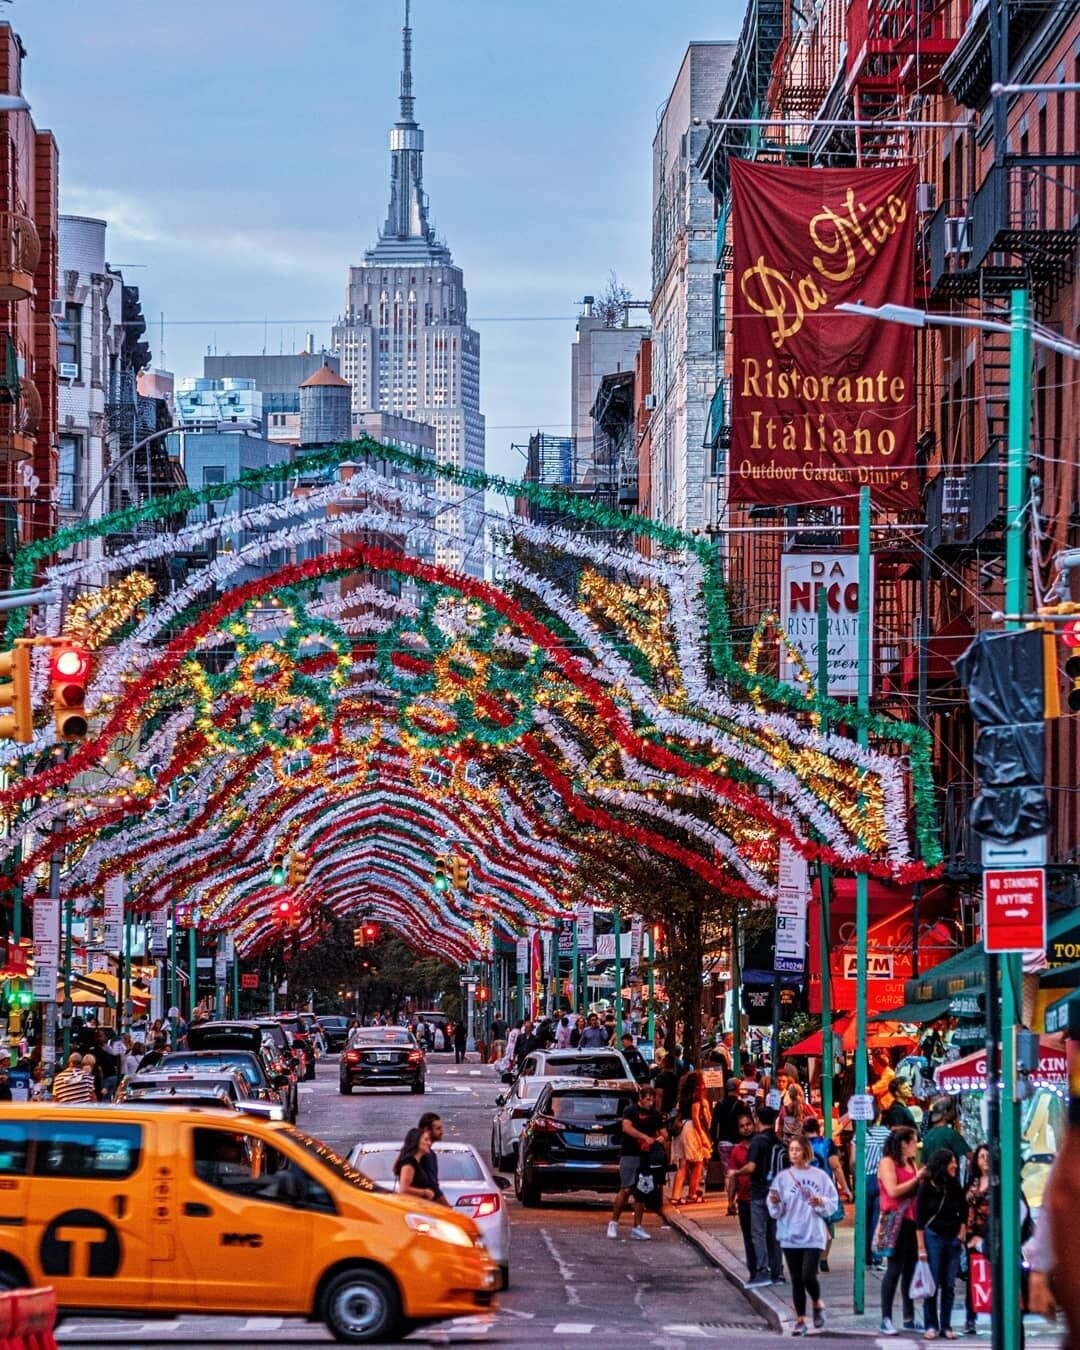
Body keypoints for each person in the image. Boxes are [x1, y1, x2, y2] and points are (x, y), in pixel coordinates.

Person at [768, 1133, 838, 1336]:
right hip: (790, 1234)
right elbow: (776, 1210)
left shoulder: (820, 1177)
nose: (794, 1153)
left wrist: (821, 1203)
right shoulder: (782, 1178)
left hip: (812, 1234)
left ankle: (817, 1303)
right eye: (791, 1150)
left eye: (798, 1149)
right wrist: (774, 1202)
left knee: (808, 1275)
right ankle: (800, 1319)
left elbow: (832, 1202)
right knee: (797, 1279)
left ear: (806, 1152)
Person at [878, 1126, 928, 1335]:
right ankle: (886, 1317)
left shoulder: (911, 1164)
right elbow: (893, 1190)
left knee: (909, 1269)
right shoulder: (887, 1163)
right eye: (913, 1141)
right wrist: (917, 1179)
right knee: (895, 1268)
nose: (916, 1146)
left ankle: (909, 1316)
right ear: (903, 1144)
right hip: (894, 1220)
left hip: (911, 1220)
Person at [915, 1148, 967, 1339]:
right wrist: (921, 1247)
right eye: (952, 1162)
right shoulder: (926, 1187)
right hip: (933, 1236)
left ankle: (946, 1325)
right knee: (932, 1282)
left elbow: (964, 1209)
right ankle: (931, 1324)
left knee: (949, 1283)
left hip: (952, 1238)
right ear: (942, 1164)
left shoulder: (954, 1185)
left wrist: (961, 1233)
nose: (955, 1165)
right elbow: (919, 1219)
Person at [607, 1084, 669, 1240]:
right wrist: (644, 1137)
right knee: (626, 1189)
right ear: (641, 1098)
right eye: (647, 1099)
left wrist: (661, 1138)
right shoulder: (631, 1111)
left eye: (652, 1099)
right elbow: (626, 1128)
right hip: (630, 1154)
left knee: (642, 1191)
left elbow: (664, 1132)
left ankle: (637, 1227)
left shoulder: (655, 1115)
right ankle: (614, 1222)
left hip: (646, 1157)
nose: (650, 1102)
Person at [736, 1104, 784, 1288]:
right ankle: (778, 1272)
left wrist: (736, 1172)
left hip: (758, 1193)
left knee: (758, 1233)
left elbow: (751, 1167)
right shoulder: (778, 1141)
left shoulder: (757, 1142)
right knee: (774, 1234)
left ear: (757, 1120)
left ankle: (762, 1271)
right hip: (776, 1193)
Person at [804, 1115, 851, 1271]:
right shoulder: (826, 1143)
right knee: (827, 1225)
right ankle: (823, 1259)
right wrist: (846, 1188)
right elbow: (836, 1167)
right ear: (818, 1129)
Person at [670, 1070, 713, 1205]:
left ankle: (675, 1195)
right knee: (698, 1162)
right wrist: (702, 1136)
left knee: (683, 1164)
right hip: (691, 1130)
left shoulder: (683, 1098)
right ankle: (692, 1193)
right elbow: (695, 1117)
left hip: (681, 1128)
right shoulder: (696, 1098)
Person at [962, 1143, 990, 1335]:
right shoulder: (972, 1180)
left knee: (993, 1277)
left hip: (990, 1235)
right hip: (971, 1236)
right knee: (973, 1276)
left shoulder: (999, 1181)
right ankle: (970, 1318)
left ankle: (998, 1313)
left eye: (988, 1156)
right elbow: (963, 1205)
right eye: (981, 1156)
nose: (985, 1160)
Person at [727, 1111, 758, 1276]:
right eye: (742, 1126)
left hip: (761, 1199)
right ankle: (753, 1270)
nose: (746, 1128)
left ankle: (764, 1266)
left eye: (748, 1124)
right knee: (748, 1237)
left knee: (764, 1235)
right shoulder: (736, 1151)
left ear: (754, 1125)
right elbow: (732, 1178)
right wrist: (730, 1201)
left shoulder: (761, 1145)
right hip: (744, 1200)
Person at [865, 1111, 894, 1269]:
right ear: (879, 1116)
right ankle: (877, 1256)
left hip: (866, 1179)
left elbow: (854, 1161)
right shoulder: (888, 1134)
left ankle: (867, 1256)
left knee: (865, 1219)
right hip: (882, 1178)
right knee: (879, 1218)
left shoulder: (860, 1135)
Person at [921, 1099, 971, 1168]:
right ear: (945, 1112)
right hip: (948, 1177)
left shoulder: (927, 1136)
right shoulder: (951, 1134)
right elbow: (970, 1156)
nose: (954, 1113)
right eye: (952, 1111)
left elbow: (923, 1165)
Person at [394, 1127, 438, 1201]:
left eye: (429, 1140)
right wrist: (425, 1192)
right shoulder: (409, 1162)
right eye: (426, 1139)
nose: (429, 1143)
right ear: (416, 1141)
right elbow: (404, 1189)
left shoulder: (417, 1162)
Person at [416, 1112, 447, 1204]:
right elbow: (432, 1186)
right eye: (438, 1129)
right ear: (427, 1130)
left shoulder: (426, 1152)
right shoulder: (424, 1154)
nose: (442, 1132)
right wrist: (448, 1209)